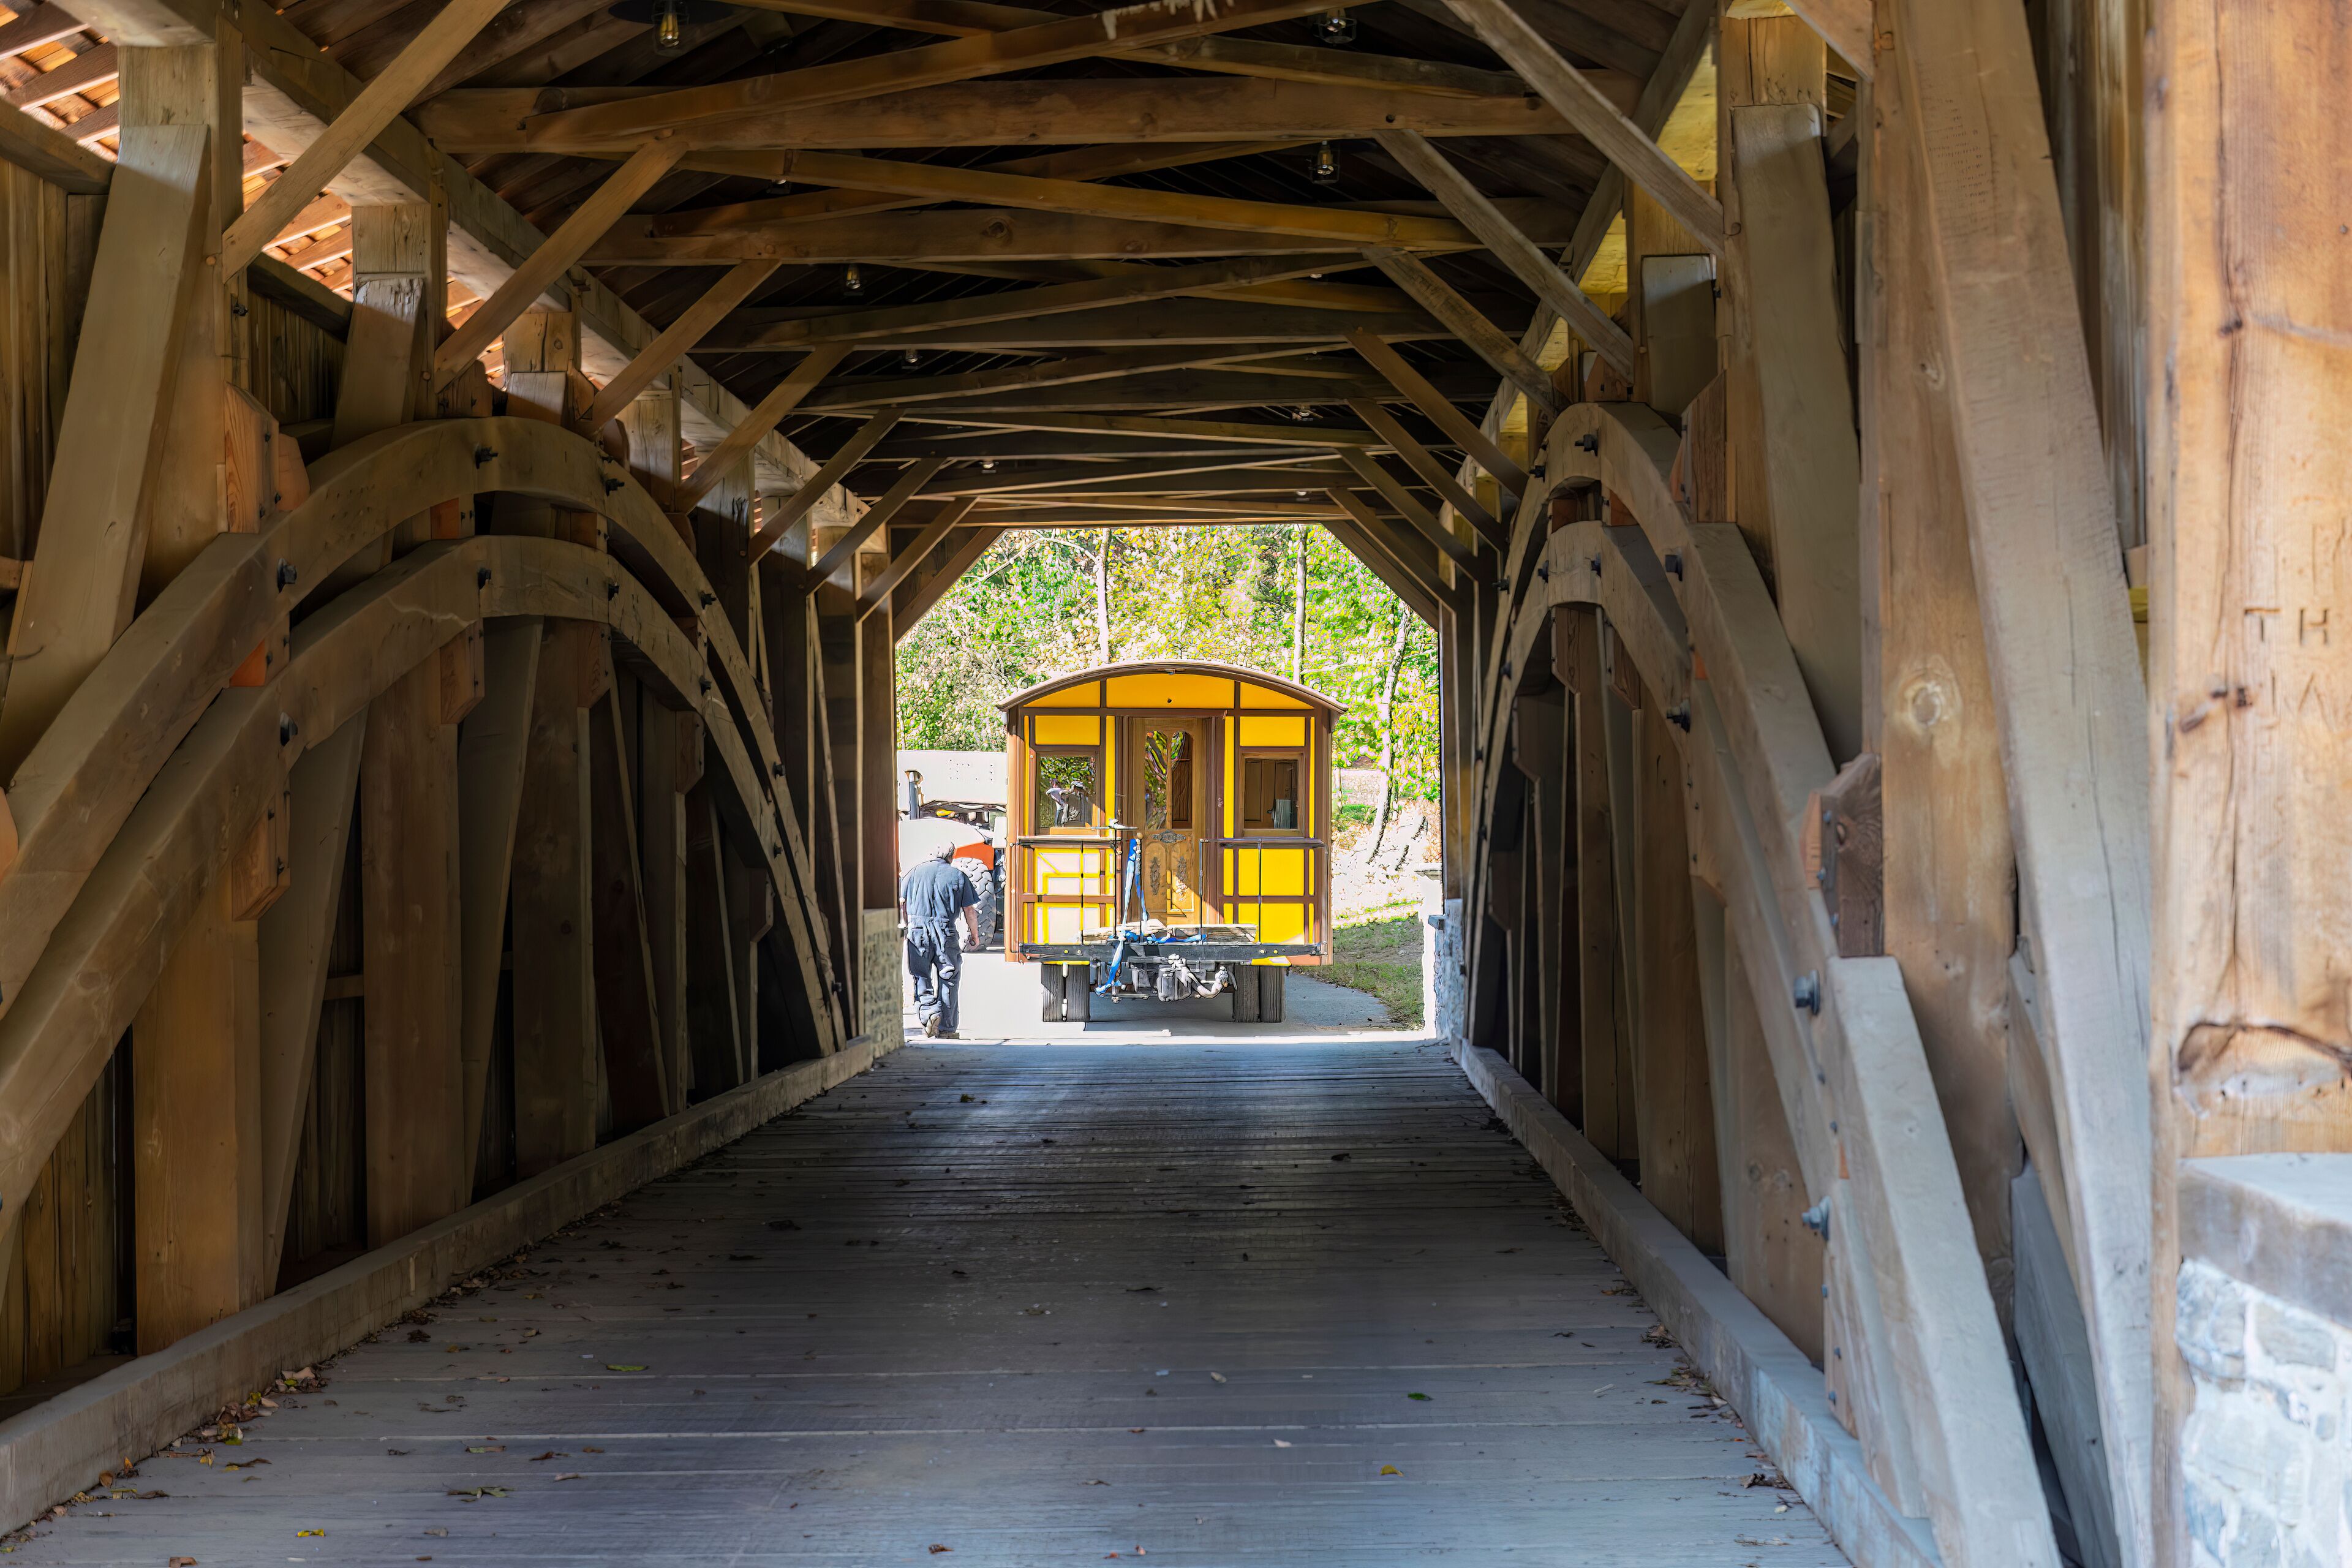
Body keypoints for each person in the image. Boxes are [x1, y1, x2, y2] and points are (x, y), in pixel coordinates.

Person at [900, 842, 979, 1038]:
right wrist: (975, 936)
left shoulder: (914, 872)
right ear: (951, 856)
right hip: (946, 932)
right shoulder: (958, 876)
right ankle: (947, 1028)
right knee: (949, 978)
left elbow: (901, 902)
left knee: (921, 975)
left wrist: (905, 924)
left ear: (930, 853)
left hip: (917, 931)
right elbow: (969, 910)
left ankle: (928, 1011)